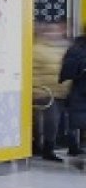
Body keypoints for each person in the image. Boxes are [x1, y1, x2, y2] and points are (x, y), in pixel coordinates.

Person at [33, 22, 76, 160]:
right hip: (45, 93)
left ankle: (66, 145)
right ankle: (47, 148)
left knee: (60, 121)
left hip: (60, 92)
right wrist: (36, 89)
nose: (54, 34)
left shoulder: (62, 48)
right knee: (51, 121)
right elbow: (33, 73)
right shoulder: (36, 49)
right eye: (50, 31)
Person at [61, 30, 86, 165]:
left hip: (79, 94)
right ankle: (73, 145)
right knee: (77, 121)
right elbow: (67, 72)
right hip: (81, 92)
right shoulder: (77, 49)